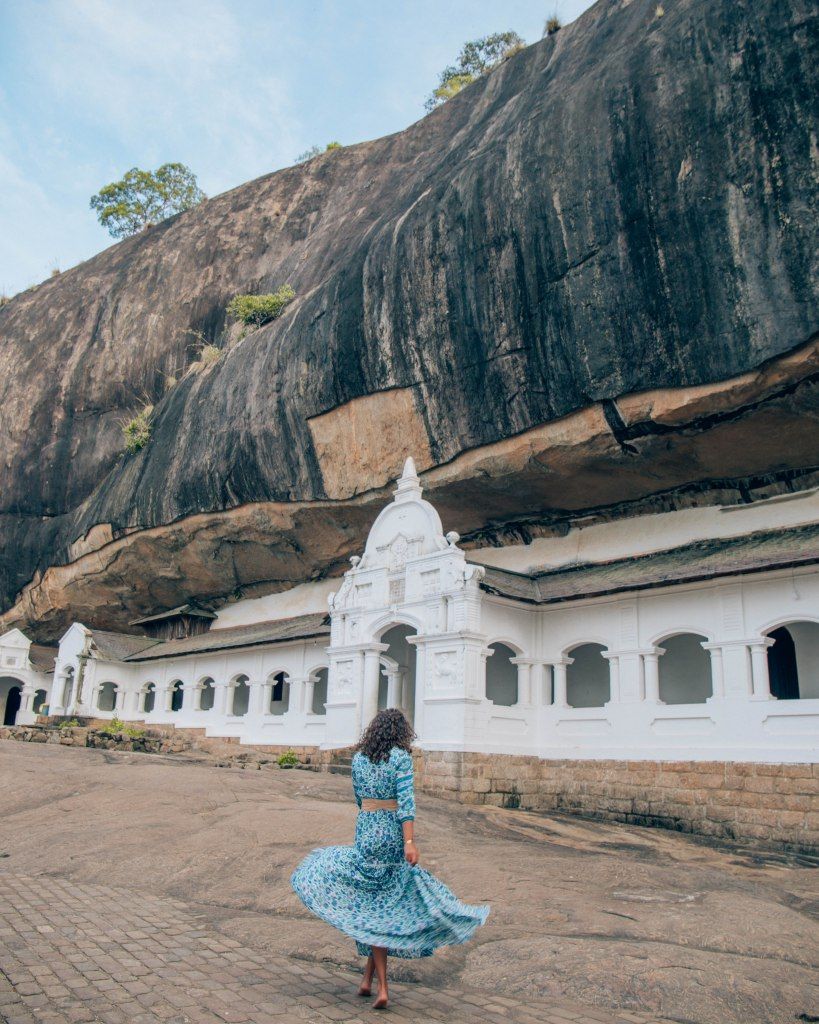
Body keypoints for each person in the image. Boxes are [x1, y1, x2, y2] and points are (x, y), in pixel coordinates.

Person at [290, 707, 490, 1009]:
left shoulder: (358, 759)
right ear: (401, 732)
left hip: (367, 828)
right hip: (391, 832)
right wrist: (409, 841)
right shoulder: (400, 758)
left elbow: (358, 797)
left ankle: (367, 980)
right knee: (382, 908)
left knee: (374, 904)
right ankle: (383, 986)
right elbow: (406, 803)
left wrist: (372, 814)